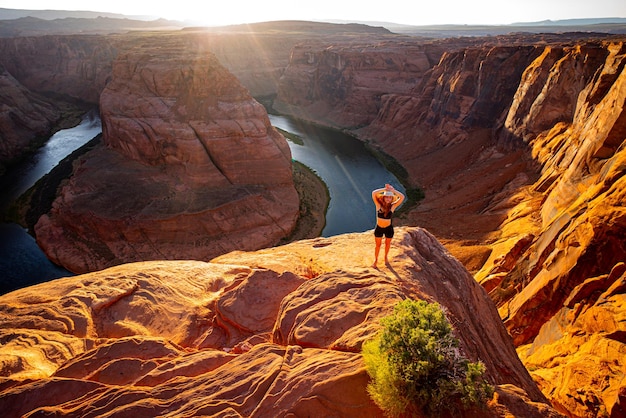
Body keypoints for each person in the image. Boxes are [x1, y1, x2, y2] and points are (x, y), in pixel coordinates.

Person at [371, 184, 405, 268]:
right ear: (383, 197)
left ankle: (386, 257)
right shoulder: (378, 205)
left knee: (387, 244)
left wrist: (393, 191)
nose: (388, 199)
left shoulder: (392, 207)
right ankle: (376, 260)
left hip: (388, 228)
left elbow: (402, 197)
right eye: (386, 197)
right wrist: (385, 189)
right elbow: (373, 193)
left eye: (390, 197)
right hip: (379, 228)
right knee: (378, 245)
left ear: (392, 198)